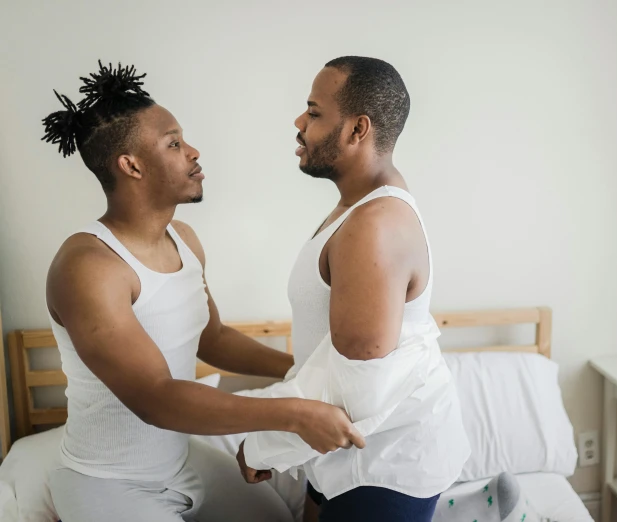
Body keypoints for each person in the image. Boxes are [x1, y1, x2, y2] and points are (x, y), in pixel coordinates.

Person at [41, 61, 365, 522]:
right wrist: (294, 413)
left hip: (181, 464)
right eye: (174, 143)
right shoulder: (88, 267)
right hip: (108, 484)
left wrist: (300, 372)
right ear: (131, 165)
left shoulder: (185, 241)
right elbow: (157, 398)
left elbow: (212, 337)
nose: (193, 151)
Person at [237, 56, 471, 522]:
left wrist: (262, 445)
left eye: (314, 112)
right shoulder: (358, 208)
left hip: (381, 467)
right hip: (341, 451)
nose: (299, 122)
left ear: (358, 129)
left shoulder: (375, 226)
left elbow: (357, 389)